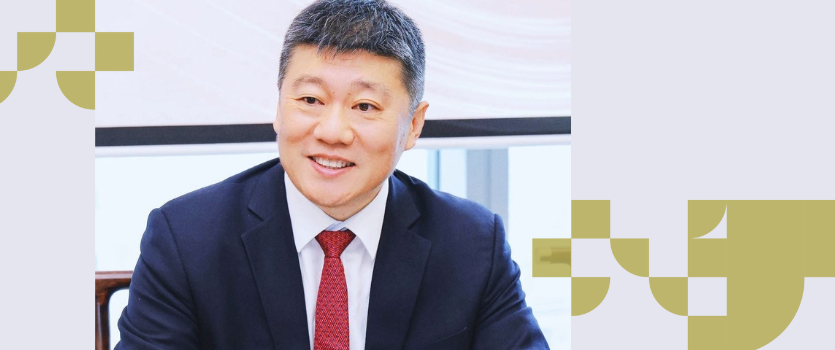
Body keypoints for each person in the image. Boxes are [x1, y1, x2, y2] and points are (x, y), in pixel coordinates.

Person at [115, 0, 548, 349]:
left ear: (414, 125)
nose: (332, 132)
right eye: (309, 99)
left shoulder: (472, 243)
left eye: (365, 107)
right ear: (278, 106)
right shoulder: (186, 238)